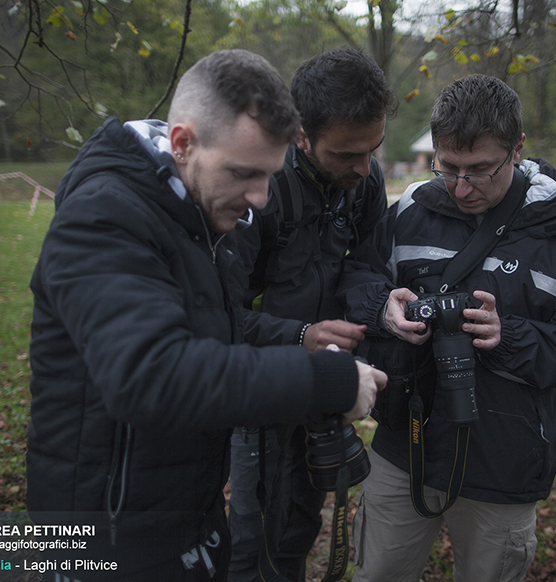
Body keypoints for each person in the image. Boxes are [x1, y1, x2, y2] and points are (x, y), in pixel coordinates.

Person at [26, 49, 386, 582]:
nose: (259, 200)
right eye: (244, 173)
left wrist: (302, 339)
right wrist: (326, 380)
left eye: (268, 175)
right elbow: (150, 375)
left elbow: (223, 333)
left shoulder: (196, 213)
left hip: (187, 519)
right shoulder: (104, 214)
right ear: (182, 143)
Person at [338, 74, 556, 582]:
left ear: (517, 150)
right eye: (448, 168)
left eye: (480, 170)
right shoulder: (409, 210)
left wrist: (508, 336)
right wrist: (384, 307)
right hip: (407, 443)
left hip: (506, 459)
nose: (462, 187)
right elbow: (357, 277)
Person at [227, 46, 396, 582]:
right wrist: (299, 335)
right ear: (300, 134)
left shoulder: (364, 181)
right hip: (253, 388)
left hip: (319, 388)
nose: (364, 167)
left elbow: (367, 265)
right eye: (347, 154)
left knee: (298, 523)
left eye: (374, 149)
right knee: (250, 537)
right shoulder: (256, 188)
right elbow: (218, 315)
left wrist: (380, 305)